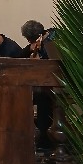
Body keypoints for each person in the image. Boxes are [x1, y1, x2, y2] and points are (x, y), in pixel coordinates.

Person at [21, 20, 56, 149]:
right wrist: (30, 49)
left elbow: (53, 62)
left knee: (42, 96)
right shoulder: (40, 40)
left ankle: (45, 137)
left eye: (29, 40)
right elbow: (20, 56)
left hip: (57, 82)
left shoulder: (53, 40)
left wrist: (40, 60)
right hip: (45, 82)